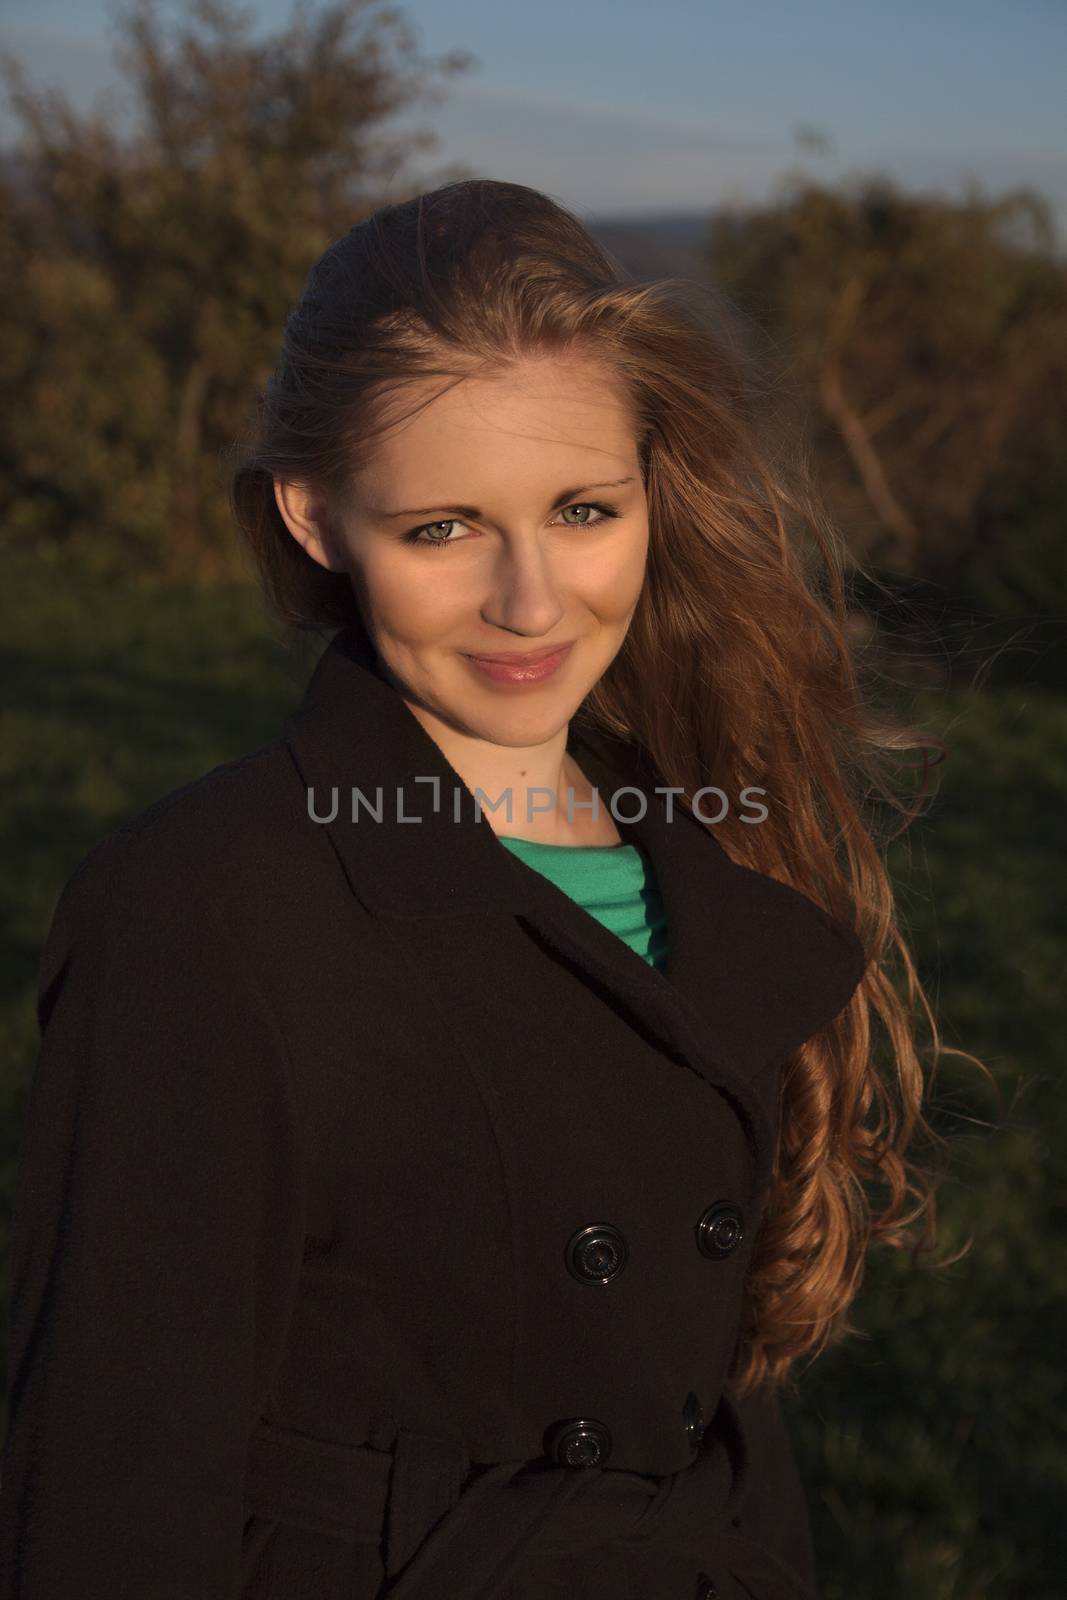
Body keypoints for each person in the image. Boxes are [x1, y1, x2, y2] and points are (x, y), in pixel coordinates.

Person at [0, 179, 978, 1600]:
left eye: (583, 510)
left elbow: (697, 1404)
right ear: (317, 516)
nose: (532, 603)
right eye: (444, 529)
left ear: (652, 485)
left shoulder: (703, 838)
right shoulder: (198, 907)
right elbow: (110, 1489)